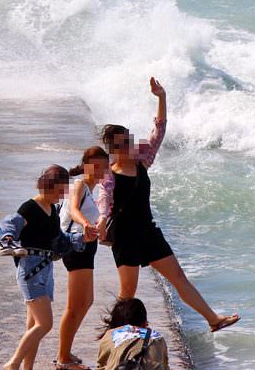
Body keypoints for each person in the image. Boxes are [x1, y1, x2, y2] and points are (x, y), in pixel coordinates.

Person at [96, 77, 239, 333]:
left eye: (129, 140)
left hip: (148, 233)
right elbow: (104, 204)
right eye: (123, 143)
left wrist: (161, 97)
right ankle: (115, 335)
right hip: (125, 238)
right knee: (127, 292)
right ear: (114, 149)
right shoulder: (109, 176)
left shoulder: (142, 162)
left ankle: (213, 320)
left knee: (178, 277)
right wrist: (99, 221)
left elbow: (159, 131)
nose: (130, 145)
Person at [0, 165, 97, 370]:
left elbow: (59, 240)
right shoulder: (29, 208)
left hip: (45, 272)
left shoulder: (51, 209)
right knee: (45, 323)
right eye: (59, 191)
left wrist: (82, 238)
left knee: (33, 325)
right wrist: (6, 240)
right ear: (47, 185)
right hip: (30, 272)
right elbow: (9, 225)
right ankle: (13, 364)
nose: (61, 196)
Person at [54, 146, 110, 370]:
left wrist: (99, 225)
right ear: (86, 164)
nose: (99, 172)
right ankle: (63, 357)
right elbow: (75, 210)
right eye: (95, 167)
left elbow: (89, 214)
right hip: (76, 249)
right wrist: (86, 224)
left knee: (86, 301)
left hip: (86, 250)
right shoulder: (78, 185)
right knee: (74, 306)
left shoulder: (92, 189)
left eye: (103, 168)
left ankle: (65, 352)